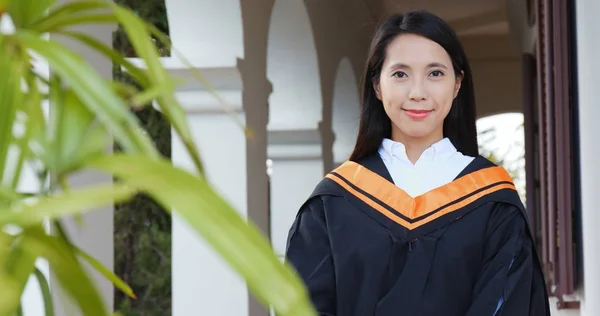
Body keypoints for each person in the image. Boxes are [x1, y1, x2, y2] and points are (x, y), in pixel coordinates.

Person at [284, 10, 550, 316]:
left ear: (457, 83)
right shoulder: (332, 203)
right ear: (377, 85)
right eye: (400, 74)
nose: (418, 92)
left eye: (435, 73)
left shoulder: (492, 201)